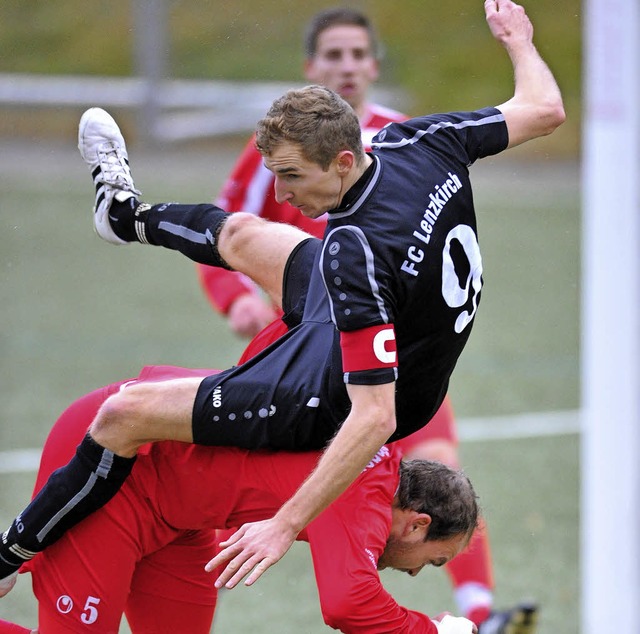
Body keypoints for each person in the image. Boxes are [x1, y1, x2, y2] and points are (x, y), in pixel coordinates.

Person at [0, 0, 564, 608]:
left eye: (291, 176)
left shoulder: (354, 251)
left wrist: (284, 523)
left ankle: (9, 556)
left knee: (121, 416)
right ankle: (123, 216)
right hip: (393, 312)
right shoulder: (414, 141)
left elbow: (372, 418)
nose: (280, 190)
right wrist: (518, 39)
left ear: (344, 159)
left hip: (330, 395)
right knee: (245, 234)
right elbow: (544, 109)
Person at [200, 8, 501, 627]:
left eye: (357, 55)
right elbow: (229, 231)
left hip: (398, 360)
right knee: (251, 473)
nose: (347, 66)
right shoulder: (279, 159)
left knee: (441, 477)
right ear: (312, 67)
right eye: (333, 56)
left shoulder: (401, 137)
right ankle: (203, 555)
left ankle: (480, 611)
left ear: (373, 66)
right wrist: (238, 298)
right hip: (315, 355)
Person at [1, 365, 482, 634]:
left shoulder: (376, 463)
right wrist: (434, 632)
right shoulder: (365, 496)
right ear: (417, 524)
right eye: (434, 561)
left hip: (178, 513)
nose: (417, 573)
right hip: (123, 466)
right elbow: (347, 604)